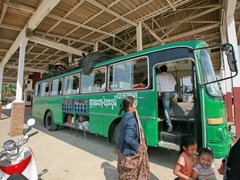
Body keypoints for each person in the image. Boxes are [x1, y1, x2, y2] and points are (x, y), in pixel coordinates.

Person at [117, 96, 150, 180]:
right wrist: (139, 147)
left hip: (123, 151)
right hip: (129, 153)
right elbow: (129, 138)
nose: (136, 105)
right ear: (130, 107)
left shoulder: (125, 116)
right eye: (135, 104)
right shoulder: (131, 120)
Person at [157, 65, 176, 132]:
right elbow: (174, 83)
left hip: (165, 93)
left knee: (166, 108)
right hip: (173, 93)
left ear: (160, 70)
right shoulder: (171, 75)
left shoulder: (158, 75)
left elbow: (157, 85)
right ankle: (172, 118)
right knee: (169, 106)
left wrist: (158, 94)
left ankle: (169, 124)